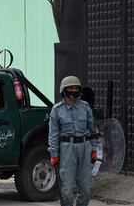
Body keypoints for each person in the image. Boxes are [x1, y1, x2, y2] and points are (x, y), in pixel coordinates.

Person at [48, 76, 99, 206]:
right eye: (71, 88)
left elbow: (93, 130)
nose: (74, 90)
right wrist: (54, 155)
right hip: (67, 150)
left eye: (76, 88)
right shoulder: (57, 109)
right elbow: (53, 134)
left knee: (85, 189)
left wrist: (94, 149)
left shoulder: (85, 107)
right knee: (66, 190)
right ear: (64, 90)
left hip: (85, 148)